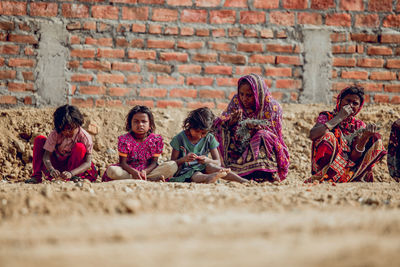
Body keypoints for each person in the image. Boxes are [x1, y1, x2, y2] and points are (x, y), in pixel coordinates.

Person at [213, 74, 289, 182]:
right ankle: (235, 170)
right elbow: (220, 121)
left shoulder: (271, 107)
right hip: (240, 146)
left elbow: (275, 134)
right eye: (241, 94)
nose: (244, 99)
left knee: (263, 135)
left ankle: (266, 172)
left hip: (262, 145)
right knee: (219, 129)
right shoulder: (236, 102)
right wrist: (231, 122)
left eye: (249, 95)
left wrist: (255, 128)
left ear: (257, 94)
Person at [307, 85, 386, 183]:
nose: (351, 105)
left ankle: (351, 177)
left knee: (376, 139)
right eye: (347, 101)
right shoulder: (327, 116)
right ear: (340, 101)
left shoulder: (359, 125)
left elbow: (354, 157)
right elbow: (312, 135)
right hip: (327, 170)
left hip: (348, 171)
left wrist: (364, 138)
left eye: (355, 103)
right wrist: (339, 117)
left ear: (359, 107)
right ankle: (325, 176)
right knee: (328, 136)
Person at [170, 107, 248, 183]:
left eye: (203, 133)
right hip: (186, 171)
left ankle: (242, 180)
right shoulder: (179, 139)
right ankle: (209, 177)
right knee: (196, 175)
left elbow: (218, 162)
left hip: (203, 167)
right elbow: (172, 164)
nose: (200, 136)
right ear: (190, 125)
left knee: (213, 167)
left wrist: (207, 160)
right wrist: (184, 159)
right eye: (197, 131)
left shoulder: (209, 138)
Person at [25, 104, 98, 183]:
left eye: (70, 129)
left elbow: (87, 163)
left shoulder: (85, 137)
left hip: (74, 168)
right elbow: (46, 156)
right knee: (39, 139)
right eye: (63, 129)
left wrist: (71, 173)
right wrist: (51, 169)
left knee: (80, 147)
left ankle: (75, 178)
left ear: (77, 124)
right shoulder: (56, 134)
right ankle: (36, 176)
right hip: (57, 164)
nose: (67, 132)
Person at [102, 105, 177, 182]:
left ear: (150, 124)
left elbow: (154, 162)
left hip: (149, 171)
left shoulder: (156, 140)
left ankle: (141, 178)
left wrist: (145, 172)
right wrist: (134, 172)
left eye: (144, 121)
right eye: (136, 121)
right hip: (129, 171)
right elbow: (123, 163)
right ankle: (149, 179)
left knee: (172, 165)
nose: (140, 124)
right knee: (112, 171)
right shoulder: (124, 140)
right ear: (130, 123)